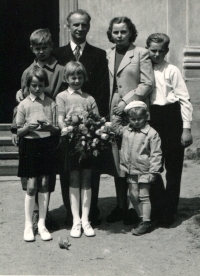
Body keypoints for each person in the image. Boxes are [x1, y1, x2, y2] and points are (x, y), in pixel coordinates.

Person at [52, 9, 110, 226]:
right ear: (68, 26)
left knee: (90, 171)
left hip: (90, 125)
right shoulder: (58, 54)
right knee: (67, 171)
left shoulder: (98, 54)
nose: (80, 28)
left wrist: (97, 126)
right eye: (75, 25)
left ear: (89, 26)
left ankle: (90, 211)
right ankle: (71, 212)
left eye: (84, 24)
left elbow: (103, 91)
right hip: (66, 125)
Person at [12, 28, 66, 232]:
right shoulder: (28, 71)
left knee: (47, 176)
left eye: (45, 47)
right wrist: (15, 129)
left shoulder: (60, 70)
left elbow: (62, 100)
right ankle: (34, 213)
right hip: (30, 132)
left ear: (51, 47)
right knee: (31, 176)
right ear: (32, 49)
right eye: (38, 48)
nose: (42, 52)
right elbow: (22, 104)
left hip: (49, 128)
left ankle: (45, 212)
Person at [105, 16, 154, 224]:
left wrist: (126, 100)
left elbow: (147, 83)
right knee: (119, 161)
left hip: (134, 113)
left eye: (123, 32)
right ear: (111, 34)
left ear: (130, 32)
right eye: (115, 32)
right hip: (113, 113)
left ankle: (137, 209)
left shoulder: (141, 53)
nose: (119, 35)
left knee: (136, 159)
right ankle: (121, 206)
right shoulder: (107, 54)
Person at [146, 33, 193, 227]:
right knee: (153, 166)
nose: (156, 54)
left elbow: (184, 100)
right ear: (147, 49)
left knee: (173, 168)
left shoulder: (172, 70)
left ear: (166, 51)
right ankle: (157, 208)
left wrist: (186, 128)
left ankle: (169, 211)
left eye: (160, 51)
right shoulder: (144, 69)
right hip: (152, 119)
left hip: (172, 118)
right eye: (152, 50)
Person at [16, 66, 59, 241]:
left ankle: (41, 224)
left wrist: (48, 127)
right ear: (28, 86)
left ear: (45, 85)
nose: (37, 88)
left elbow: (56, 129)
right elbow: (17, 131)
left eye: (40, 85)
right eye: (33, 85)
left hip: (46, 145)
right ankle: (28, 225)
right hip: (30, 146)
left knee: (44, 184)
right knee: (32, 186)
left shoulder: (51, 103)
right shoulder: (24, 104)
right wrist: (27, 128)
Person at [56, 61, 98, 237]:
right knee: (73, 178)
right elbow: (60, 117)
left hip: (87, 141)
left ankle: (86, 220)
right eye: (73, 76)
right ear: (66, 78)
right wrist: (64, 128)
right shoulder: (62, 96)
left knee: (87, 178)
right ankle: (76, 220)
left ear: (84, 77)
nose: (76, 80)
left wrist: (93, 129)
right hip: (71, 141)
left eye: (79, 76)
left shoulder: (89, 98)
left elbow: (96, 119)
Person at [112, 101, 162, 235]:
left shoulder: (152, 134)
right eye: (133, 119)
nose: (136, 122)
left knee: (144, 196)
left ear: (146, 116)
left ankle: (146, 222)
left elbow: (156, 153)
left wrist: (154, 171)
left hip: (145, 170)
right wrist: (117, 114)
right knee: (133, 196)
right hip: (131, 170)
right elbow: (115, 128)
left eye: (139, 119)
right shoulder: (126, 130)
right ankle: (143, 218)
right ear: (128, 119)